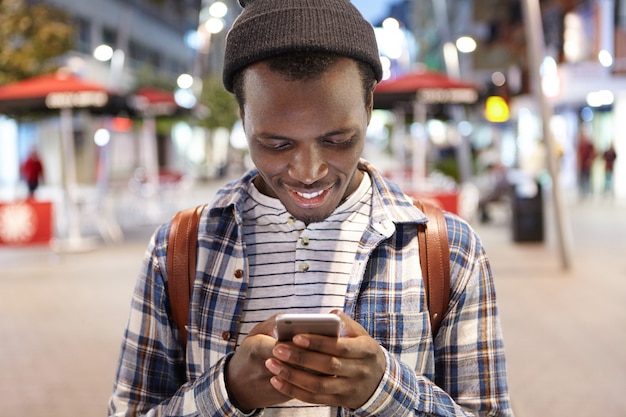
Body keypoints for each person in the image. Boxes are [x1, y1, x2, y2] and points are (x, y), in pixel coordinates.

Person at [108, 1, 513, 416]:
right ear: (242, 115)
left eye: (337, 140)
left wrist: (386, 391)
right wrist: (228, 390)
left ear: (369, 106)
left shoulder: (447, 250)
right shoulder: (179, 249)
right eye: (276, 144)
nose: (308, 172)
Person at [577, 132, 596, 199]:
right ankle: (582, 192)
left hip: (587, 166)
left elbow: (594, 154)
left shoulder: (590, 146)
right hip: (582, 166)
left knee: (587, 179)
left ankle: (587, 192)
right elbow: (579, 155)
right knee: (582, 179)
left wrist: (590, 160)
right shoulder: (580, 145)